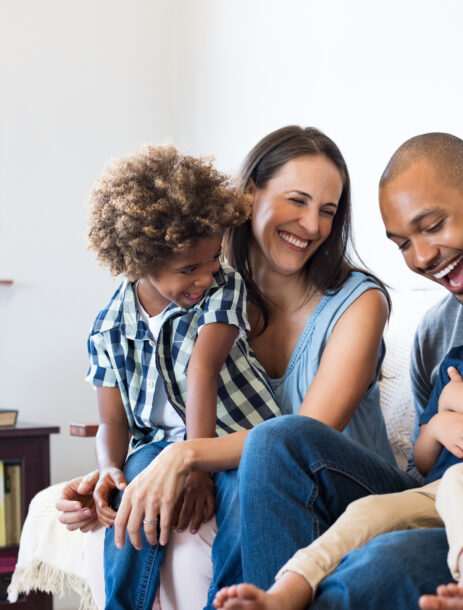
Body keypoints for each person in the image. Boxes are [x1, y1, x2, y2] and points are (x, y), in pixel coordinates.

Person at [231, 133, 463, 608]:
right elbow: (424, 469)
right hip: (447, 500)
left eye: (432, 226)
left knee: (385, 563)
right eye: (402, 244)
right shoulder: (437, 333)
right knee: (277, 439)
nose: (421, 258)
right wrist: (438, 425)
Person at [57, 126, 399, 608]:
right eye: (297, 201)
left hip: (342, 488)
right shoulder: (203, 292)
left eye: (327, 210)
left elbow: (305, 437)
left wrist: (188, 456)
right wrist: (114, 473)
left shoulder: (357, 303)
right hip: (252, 472)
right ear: (248, 194)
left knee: (261, 461)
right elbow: (156, 405)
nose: (312, 225)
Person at [84, 144, 282, 609]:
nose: (205, 275)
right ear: (138, 261)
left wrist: (195, 464)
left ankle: (231, 601)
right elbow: (113, 421)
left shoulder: (223, 286)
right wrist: (110, 468)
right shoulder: (109, 326)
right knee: (135, 488)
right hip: (156, 446)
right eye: (188, 269)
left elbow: (202, 369)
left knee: (241, 497)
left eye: (213, 257)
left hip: (237, 437)